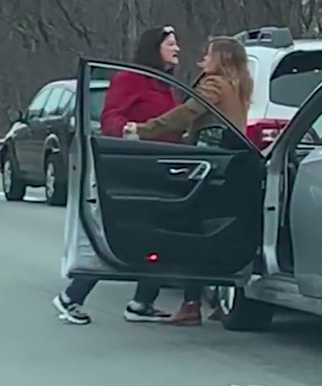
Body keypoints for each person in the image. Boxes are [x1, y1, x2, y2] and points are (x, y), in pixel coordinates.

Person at [53, 25, 181, 325]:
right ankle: (72, 296)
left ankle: (142, 302)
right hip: (135, 169)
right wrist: (130, 133)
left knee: (159, 238)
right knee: (125, 236)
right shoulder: (130, 79)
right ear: (154, 48)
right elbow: (112, 118)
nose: (177, 49)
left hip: (162, 170)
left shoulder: (164, 84)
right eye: (171, 44)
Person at [123, 36, 254, 326]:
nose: (203, 60)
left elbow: (187, 113)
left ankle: (190, 303)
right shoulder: (240, 86)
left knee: (188, 233)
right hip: (230, 165)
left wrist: (144, 131)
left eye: (208, 55)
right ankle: (221, 298)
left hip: (205, 168)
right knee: (222, 233)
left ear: (220, 59)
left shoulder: (214, 84)